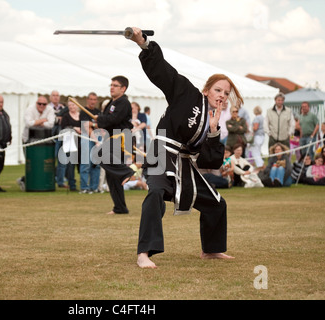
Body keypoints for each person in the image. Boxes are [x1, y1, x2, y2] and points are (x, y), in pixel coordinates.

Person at [128, 28, 243, 268]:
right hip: (162, 154)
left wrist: (213, 132)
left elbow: (209, 162)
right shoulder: (186, 93)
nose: (222, 96)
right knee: (155, 194)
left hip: (184, 163)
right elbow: (165, 73)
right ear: (206, 89)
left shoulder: (212, 121)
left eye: (226, 93)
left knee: (216, 203)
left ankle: (211, 250)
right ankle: (144, 253)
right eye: (218, 90)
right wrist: (143, 43)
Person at [92, 75, 134, 215]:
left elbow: (114, 119)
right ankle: (120, 207)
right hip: (112, 137)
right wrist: (100, 121)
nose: (112, 87)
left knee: (99, 154)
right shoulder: (112, 102)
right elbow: (107, 120)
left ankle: (126, 172)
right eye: (111, 85)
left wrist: (100, 119)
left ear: (123, 88)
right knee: (112, 176)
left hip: (121, 138)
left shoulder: (123, 102)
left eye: (115, 85)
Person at [79, 92, 101, 194]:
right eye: (91, 99)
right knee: (86, 163)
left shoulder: (98, 112)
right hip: (86, 138)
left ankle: (94, 187)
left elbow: (100, 125)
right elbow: (86, 126)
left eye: (94, 99)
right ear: (88, 100)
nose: (92, 101)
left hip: (98, 137)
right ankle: (84, 187)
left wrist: (93, 125)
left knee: (96, 164)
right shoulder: (84, 111)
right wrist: (96, 140)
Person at [59, 100, 81, 191]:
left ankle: (85, 183)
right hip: (70, 142)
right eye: (69, 105)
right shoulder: (66, 116)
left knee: (81, 163)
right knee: (71, 164)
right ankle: (72, 184)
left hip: (80, 141)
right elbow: (63, 128)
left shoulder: (81, 115)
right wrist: (74, 128)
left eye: (73, 105)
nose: (71, 107)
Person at [49, 90, 68, 188]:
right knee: (51, 159)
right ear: (50, 97)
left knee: (62, 160)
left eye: (57, 95)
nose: (55, 97)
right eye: (53, 95)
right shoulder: (48, 108)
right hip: (51, 137)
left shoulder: (64, 108)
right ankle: (50, 180)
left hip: (63, 137)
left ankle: (60, 181)